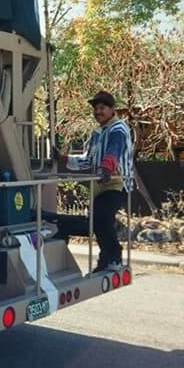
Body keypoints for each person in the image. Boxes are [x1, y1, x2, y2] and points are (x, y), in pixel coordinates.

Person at [53, 90, 133, 272]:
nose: (98, 112)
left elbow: (115, 150)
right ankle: (104, 259)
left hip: (116, 182)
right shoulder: (97, 134)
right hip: (100, 184)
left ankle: (114, 257)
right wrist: (64, 159)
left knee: (102, 217)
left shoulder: (118, 129)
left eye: (102, 108)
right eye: (96, 108)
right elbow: (87, 160)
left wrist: (106, 167)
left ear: (112, 110)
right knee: (97, 221)